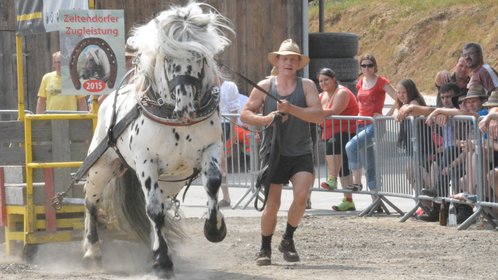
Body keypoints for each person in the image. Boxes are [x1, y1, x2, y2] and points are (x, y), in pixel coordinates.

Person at [240, 39, 323, 266]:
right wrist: (269, 118)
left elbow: (318, 115)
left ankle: (287, 238)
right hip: (273, 152)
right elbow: (245, 114)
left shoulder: (306, 85)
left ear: (298, 63)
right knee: (272, 204)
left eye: (293, 59)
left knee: (301, 197)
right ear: (277, 61)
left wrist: (291, 109)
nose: (289, 62)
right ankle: (264, 247)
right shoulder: (265, 86)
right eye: (285, 58)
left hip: (300, 151)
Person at [345, 53, 397, 196]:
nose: (366, 68)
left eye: (369, 65)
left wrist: (386, 116)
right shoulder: (360, 81)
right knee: (369, 163)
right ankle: (375, 196)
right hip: (360, 124)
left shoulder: (381, 81)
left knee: (350, 146)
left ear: (375, 67)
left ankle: (356, 182)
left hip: (374, 125)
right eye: (364, 65)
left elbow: (398, 97)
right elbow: (360, 101)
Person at [317, 68, 359, 211]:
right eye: (321, 81)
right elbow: (311, 107)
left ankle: (332, 180)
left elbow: (335, 110)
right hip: (329, 133)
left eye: (326, 80)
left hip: (346, 132)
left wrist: (315, 113)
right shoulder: (321, 95)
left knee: (332, 146)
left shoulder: (342, 92)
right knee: (343, 168)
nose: (323, 83)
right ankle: (348, 200)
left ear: (334, 79)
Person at [217, 76, 240, 207]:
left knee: (221, 161)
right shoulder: (205, 83)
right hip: (207, 125)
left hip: (223, 124)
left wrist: (234, 130)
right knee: (220, 161)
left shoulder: (229, 86)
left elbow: (233, 109)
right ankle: (224, 197)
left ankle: (225, 197)